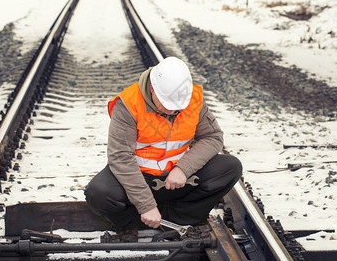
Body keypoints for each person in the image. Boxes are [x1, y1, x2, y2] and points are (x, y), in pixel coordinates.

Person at [85, 56, 242, 242]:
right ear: (152, 89)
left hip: (177, 180)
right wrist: (145, 205)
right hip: (138, 179)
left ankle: (176, 222)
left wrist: (183, 168)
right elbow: (120, 157)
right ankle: (129, 225)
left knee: (230, 167)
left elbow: (213, 137)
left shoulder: (192, 99)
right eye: (168, 105)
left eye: (178, 107)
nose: (173, 111)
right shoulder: (128, 104)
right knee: (98, 191)